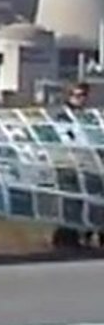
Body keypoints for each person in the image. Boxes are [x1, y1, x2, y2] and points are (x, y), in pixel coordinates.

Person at [54, 82, 95, 250]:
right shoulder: (62, 115)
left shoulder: (88, 116)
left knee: (89, 202)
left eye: (83, 95)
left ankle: (85, 235)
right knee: (70, 202)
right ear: (69, 96)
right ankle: (66, 238)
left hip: (87, 164)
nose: (81, 99)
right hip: (68, 164)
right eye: (77, 95)